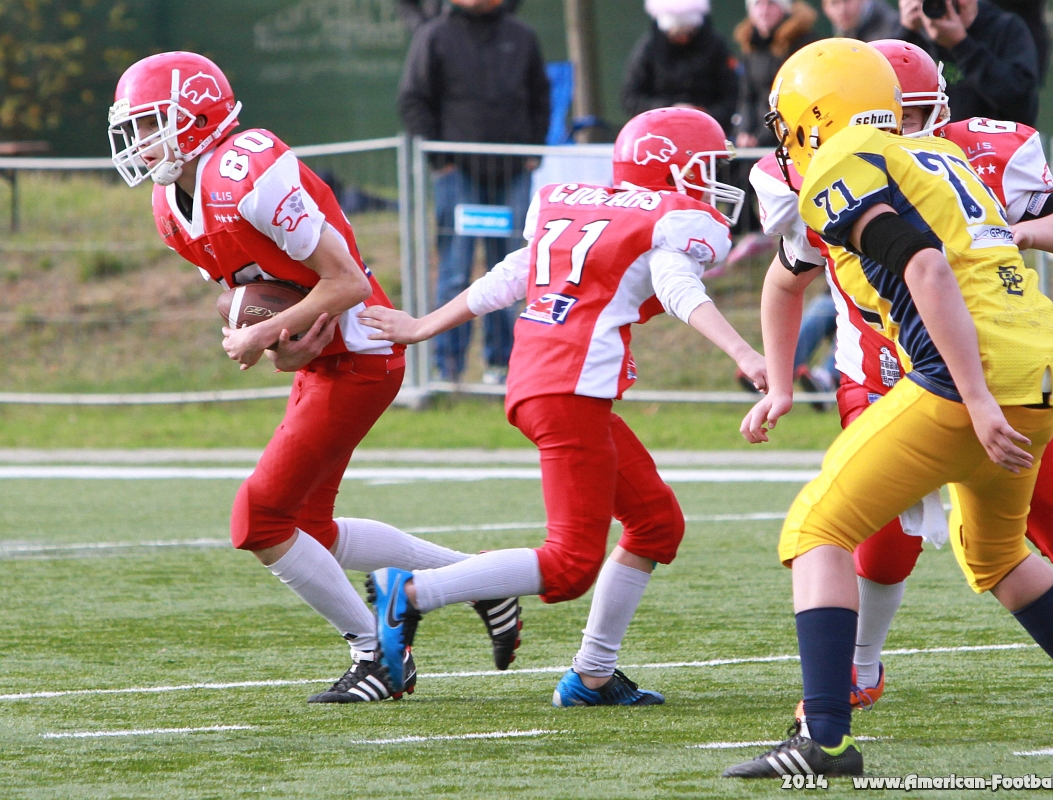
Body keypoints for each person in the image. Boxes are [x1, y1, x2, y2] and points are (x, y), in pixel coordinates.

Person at [724, 39, 1053, 779]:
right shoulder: (940, 154)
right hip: (1038, 367)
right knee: (997, 555)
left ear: (813, 113)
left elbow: (924, 264)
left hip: (966, 376)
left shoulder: (840, 160)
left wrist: (976, 398)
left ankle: (824, 738)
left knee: (816, 528)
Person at [107, 51, 523, 706]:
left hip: (363, 354)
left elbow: (347, 282)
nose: (139, 141)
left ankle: (378, 655)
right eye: (133, 128)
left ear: (198, 117)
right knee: (311, 528)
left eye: (150, 123)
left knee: (259, 521)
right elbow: (250, 294)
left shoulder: (246, 171)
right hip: (330, 357)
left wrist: (263, 335)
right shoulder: (169, 203)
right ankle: (482, 581)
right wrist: (280, 343)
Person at [357, 108, 767, 707]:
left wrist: (423, 326)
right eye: (706, 168)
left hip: (545, 381)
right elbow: (679, 289)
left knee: (656, 522)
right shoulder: (663, 219)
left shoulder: (578, 208)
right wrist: (744, 353)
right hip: (569, 389)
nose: (713, 182)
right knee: (571, 564)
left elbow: (509, 276)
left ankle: (592, 677)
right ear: (669, 166)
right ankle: (413, 592)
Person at [399, 0, 551, 383]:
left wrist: (533, 151)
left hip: (514, 173)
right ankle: (447, 370)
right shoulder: (434, 35)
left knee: (514, 274)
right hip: (458, 175)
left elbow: (541, 96)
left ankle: (504, 368)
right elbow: (413, 99)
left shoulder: (522, 36)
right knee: (455, 272)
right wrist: (441, 159)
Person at [898, 0, 1040, 125]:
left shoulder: (1005, 28)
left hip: (986, 142)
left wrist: (960, 45)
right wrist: (906, 31)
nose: (948, 4)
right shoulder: (915, 31)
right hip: (926, 142)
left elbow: (1022, 101)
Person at [622, 0, 740, 134]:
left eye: (687, 34)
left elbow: (732, 95)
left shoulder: (715, 46)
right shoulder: (648, 48)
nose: (682, 39)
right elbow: (631, 98)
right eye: (675, 35)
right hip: (659, 132)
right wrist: (669, 110)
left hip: (708, 130)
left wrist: (703, 114)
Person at [733, 0, 818, 150]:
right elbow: (747, 97)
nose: (764, 10)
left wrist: (761, 137)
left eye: (771, 4)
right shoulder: (750, 46)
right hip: (756, 141)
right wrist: (744, 132)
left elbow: (796, 99)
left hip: (792, 138)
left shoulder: (803, 43)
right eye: (758, 4)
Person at [823, 0, 905, 41]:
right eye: (834, 3)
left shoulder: (895, 28)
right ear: (825, 8)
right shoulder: (841, 33)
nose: (842, 10)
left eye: (847, 1)